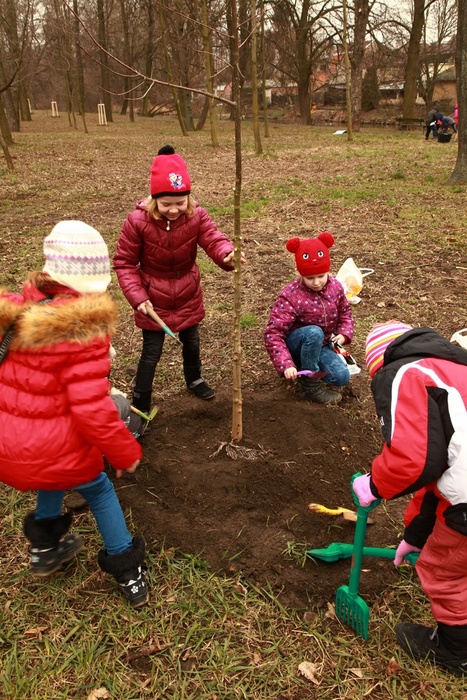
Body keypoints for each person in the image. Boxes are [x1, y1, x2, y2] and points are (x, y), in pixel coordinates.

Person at [0, 220, 148, 608]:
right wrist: (124, 452)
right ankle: (128, 569)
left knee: (54, 474)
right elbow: (92, 409)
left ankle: (45, 550)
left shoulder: (20, 313)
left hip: (13, 449)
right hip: (53, 446)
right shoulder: (82, 330)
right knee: (98, 488)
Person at [352, 320, 467, 676]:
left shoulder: (402, 373)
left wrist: (374, 485)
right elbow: (437, 474)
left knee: (444, 569)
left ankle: (456, 651)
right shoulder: (452, 371)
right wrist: (415, 535)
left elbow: (413, 461)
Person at [114, 145, 243, 412]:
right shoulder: (137, 221)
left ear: (189, 198)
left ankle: (195, 379)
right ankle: (141, 400)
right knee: (152, 351)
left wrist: (227, 255)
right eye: (166, 204)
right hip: (153, 297)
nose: (174, 210)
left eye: (180, 203)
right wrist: (138, 297)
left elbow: (213, 239)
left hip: (187, 291)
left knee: (192, 341)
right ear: (154, 200)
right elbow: (124, 262)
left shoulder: (197, 216)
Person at [264, 232, 354, 405]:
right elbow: (273, 333)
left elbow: (345, 312)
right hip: (297, 344)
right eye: (310, 278)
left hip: (322, 344)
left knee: (341, 377)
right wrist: (286, 363)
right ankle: (310, 384)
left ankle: (308, 365)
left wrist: (344, 334)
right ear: (300, 274)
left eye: (321, 276)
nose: (317, 282)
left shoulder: (335, 287)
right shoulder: (291, 295)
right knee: (314, 332)